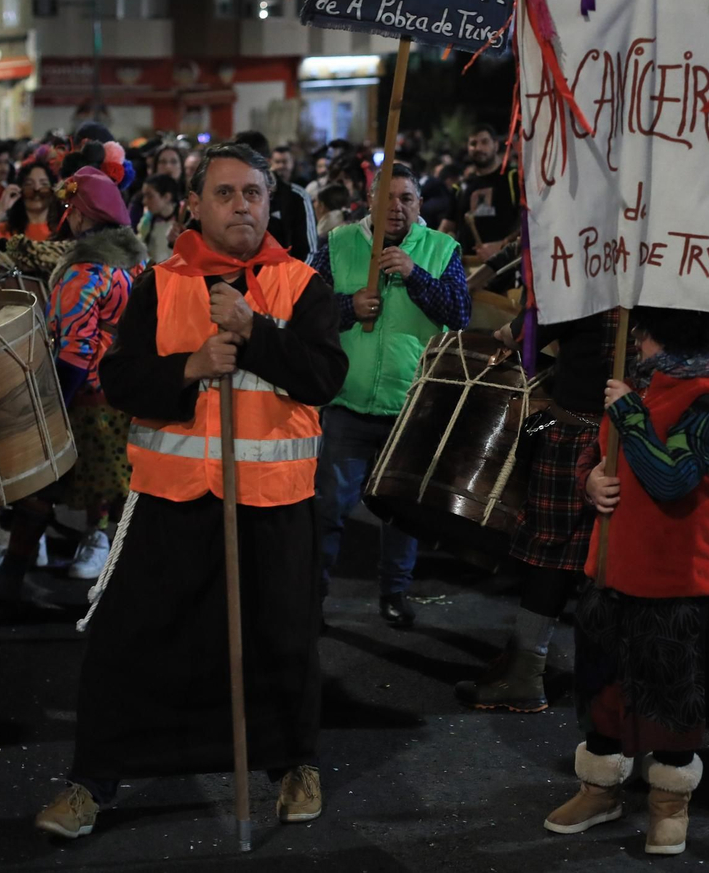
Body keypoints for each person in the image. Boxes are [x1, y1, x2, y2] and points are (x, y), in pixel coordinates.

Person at [35, 143, 348, 839]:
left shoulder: (303, 286)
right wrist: (191, 366)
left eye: (253, 194)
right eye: (225, 193)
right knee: (128, 641)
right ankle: (92, 780)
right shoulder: (159, 284)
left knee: (285, 640)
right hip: (171, 497)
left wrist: (254, 332)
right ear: (196, 206)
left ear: (269, 204)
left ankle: (295, 764)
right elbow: (121, 381)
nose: (241, 206)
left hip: (274, 500)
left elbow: (324, 377)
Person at [543, 305, 709, 857]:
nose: (639, 342)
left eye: (647, 334)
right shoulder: (644, 386)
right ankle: (600, 789)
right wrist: (590, 480)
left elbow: (672, 478)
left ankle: (669, 805)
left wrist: (629, 413)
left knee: (672, 701)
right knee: (602, 690)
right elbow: (598, 450)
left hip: (675, 580)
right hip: (612, 569)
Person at [309, 162, 469, 628]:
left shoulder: (441, 249)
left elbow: (459, 313)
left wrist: (416, 275)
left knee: (402, 512)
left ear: (419, 204)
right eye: (387, 198)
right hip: (347, 404)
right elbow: (308, 311)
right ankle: (313, 598)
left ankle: (394, 593)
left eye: (406, 198)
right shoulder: (339, 243)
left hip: (412, 409)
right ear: (369, 201)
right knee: (328, 509)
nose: (396, 208)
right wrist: (348, 306)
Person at [454, 309, 628, 713]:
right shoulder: (657, 285)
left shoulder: (581, 284)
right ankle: (612, 681)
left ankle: (525, 673)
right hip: (631, 430)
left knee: (548, 555)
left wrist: (512, 325)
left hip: (572, 430)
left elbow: (516, 336)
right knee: (609, 558)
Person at [0, 167, 148, 600]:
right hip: (121, 390)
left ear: (81, 214)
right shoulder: (135, 262)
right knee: (113, 487)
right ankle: (109, 568)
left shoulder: (85, 272)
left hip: (87, 395)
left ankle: (12, 579)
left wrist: (51, 401)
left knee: (40, 482)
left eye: (70, 208)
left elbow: (77, 347)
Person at [236, 130, 317, 262]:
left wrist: (291, 275)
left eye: (246, 165)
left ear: (266, 162)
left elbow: (309, 252)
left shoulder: (296, 197)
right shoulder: (231, 199)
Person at [443, 124, 518, 258]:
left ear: (496, 145)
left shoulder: (514, 178)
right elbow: (446, 228)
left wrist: (502, 245)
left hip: (506, 264)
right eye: (473, 143)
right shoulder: (461, 187)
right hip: (467, 265)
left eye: (484, 142)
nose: (478, 148)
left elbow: (529, 223)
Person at [0, 160, 56, 243]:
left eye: (44, 184)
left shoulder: (61, 230)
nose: (36, 189)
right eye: (29, 184)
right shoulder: (5, 230)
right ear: (19, 190)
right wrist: (1, 209)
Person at [135, 173, 180, 264]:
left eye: (150, 196)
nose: (144, 201)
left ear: (167, 197)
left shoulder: (185, 220)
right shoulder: (147, 222)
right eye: (144, 196)